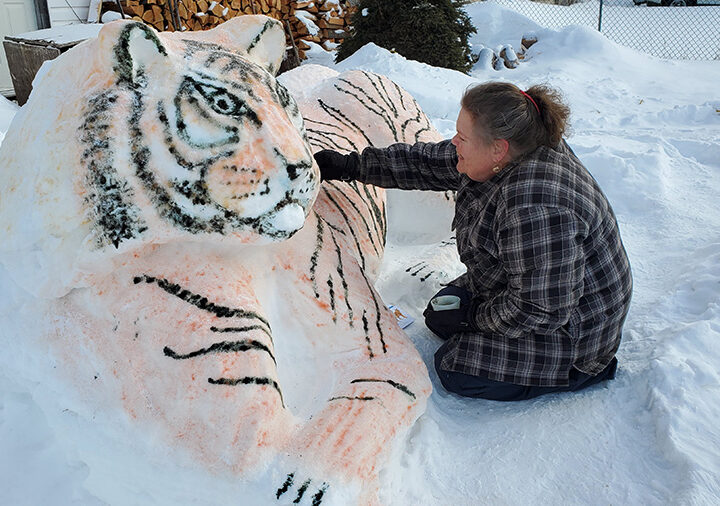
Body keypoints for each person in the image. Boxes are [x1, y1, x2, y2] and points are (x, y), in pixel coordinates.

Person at [313, 82, 633, 402]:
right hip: (525, 284)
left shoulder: (536, 206)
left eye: (463, 138)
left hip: (571, 332)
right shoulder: (511, 149)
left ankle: (578, 374)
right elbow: (427, 163)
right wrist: (350, 166)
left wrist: (473, 317)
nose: (455, 143)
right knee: (439, 313)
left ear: (498, 148)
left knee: (455, 366)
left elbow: (539, 308)